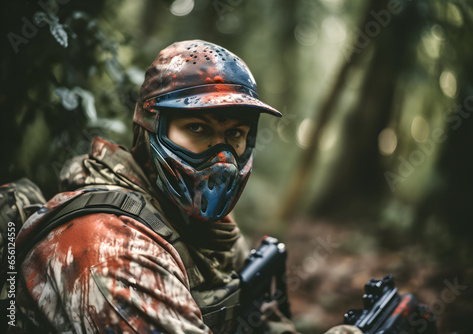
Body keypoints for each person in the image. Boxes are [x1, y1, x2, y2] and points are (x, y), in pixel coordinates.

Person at [13, 39, 311, 334]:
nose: (222, 157)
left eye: (235, 133)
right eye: (197, 128)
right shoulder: (109, 248)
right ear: (151, 126)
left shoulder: (209, 230)